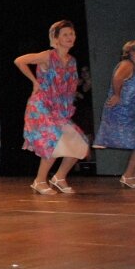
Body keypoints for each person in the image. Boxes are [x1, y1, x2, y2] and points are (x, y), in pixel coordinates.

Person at [15, 20, 89, 195]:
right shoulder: (48, 56)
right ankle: (39, 181)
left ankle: (59, 177)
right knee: (53, 140)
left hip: (59, 109)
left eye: (72, 34)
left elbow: (66, 83)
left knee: (80, 143)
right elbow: (19, 61)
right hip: (41, 106)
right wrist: (34, 82)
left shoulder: (72, 61)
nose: (70, 37)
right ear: (56, 38)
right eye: (65, 34)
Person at [93, 40, 135, 188]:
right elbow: (117, 78)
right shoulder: (127, 65)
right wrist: (117, 95)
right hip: (124, 113)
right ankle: (128, 176)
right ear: (132, 52)